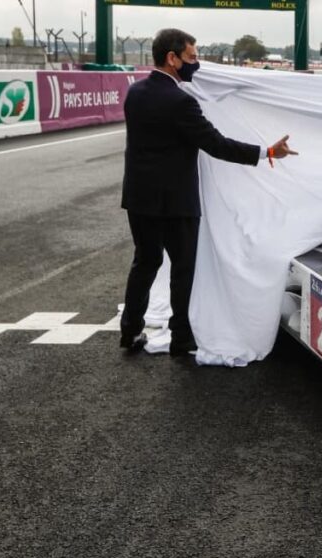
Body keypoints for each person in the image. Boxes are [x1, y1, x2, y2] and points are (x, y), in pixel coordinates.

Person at [119, 28, 297, 356]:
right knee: (183, 268)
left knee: (145, 262)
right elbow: (216, 144)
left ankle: (130, 330)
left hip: (139, 197)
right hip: (176, 202)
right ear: (172, 59)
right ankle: (181, 337)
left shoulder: (135, 93)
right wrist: (267, 152)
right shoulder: (182, 102)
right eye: (192, 58)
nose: (195, 65)